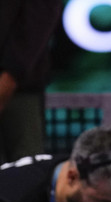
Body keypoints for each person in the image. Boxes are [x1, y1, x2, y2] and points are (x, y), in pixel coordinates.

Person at [0, 0, 61, 163]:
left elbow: (40, 16)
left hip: (17, 88)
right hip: (16, 80)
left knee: (24, 170)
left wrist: (12, 74)